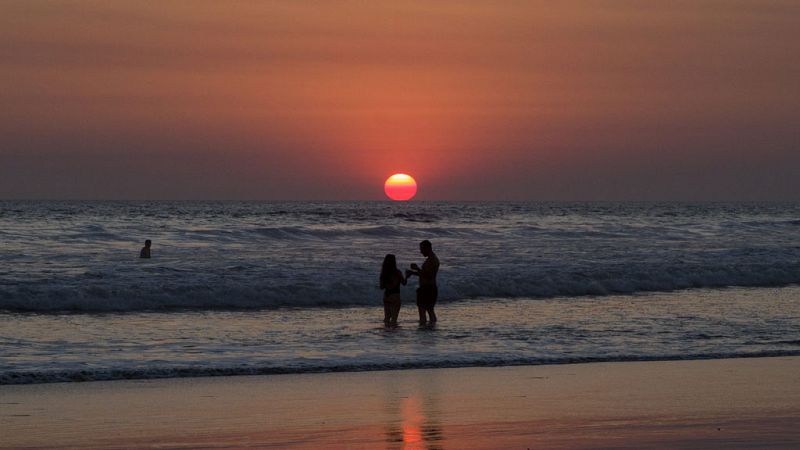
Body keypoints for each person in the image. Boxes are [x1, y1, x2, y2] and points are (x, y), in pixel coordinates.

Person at [406, 240, 439, 325]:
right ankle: (431, 328)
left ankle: (423, 331)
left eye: (422, 249)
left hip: (427, 288)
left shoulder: (432, 260)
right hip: (430, 288)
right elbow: (425, 274)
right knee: (430, 310)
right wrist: (413, 273)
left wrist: (417, 268)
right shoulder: (432, 259)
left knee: (422, 311)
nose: (421, 251)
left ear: (428, 248)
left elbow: (428, 275)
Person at [380, 254, 406, 327]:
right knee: (394, 319)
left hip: (386, 296)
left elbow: (381, 287)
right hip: (395, 296)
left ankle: (387, 336)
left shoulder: (383, 273)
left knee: (386, 318)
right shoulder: (397, 272)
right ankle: (393, 337)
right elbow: (404, 283)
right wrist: (407, 276)